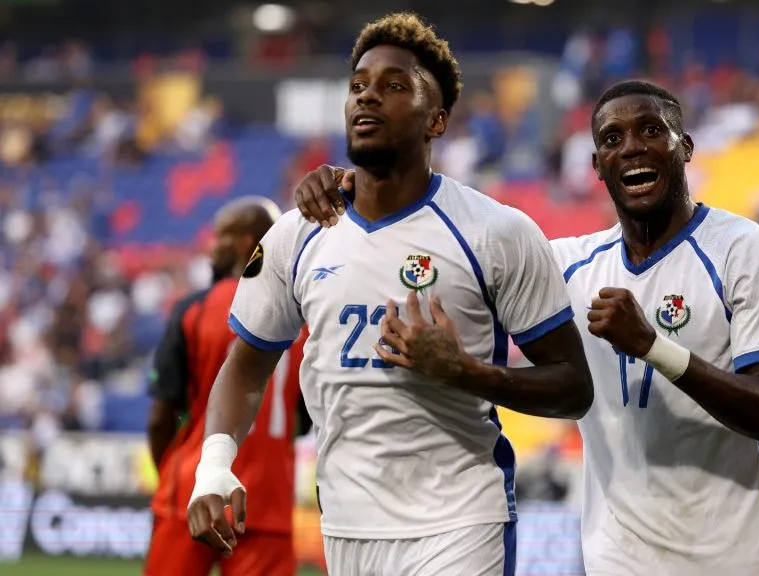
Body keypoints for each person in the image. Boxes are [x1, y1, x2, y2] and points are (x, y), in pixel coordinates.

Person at [295, 79, 759, 575]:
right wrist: (363, 189)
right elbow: (453, 245)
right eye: (611, 140)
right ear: (596, 168)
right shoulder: (566, 266)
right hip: (616, 564)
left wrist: (652, 346)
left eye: (651, 131)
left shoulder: (743, 250)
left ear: (685, 147)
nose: (631, 148)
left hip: (739, 561)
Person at [186, 12, 593, 576]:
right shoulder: (296, 233)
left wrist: (466, 372)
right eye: (358, 87)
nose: (367, 98)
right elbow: (247, 366)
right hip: (347, 526)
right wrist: (214, 468)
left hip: (462, 520)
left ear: (438, 120)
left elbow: (574, 386)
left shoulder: (496, 232)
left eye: (395, 87)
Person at [146, 197, 310, 576]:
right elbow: (303, 420)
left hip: (191, 489)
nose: (210, 249)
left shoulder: (195, 309)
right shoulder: (305, 319)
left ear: (242, 243)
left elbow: (160, 416)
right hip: (268, 499)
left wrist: (168, 479)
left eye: (219, 238)